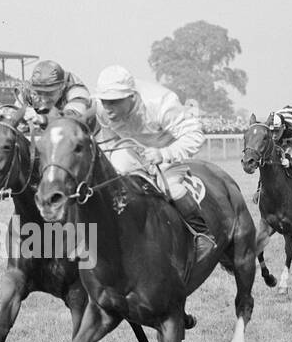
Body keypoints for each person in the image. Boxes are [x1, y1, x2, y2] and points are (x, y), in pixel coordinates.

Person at [92, 64, 215, 264]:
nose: (107, 108)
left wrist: (164, 153)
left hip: (165, 155)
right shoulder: (97, 106)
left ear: (131, 97)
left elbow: (195, 135)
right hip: (129, 151)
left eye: (114, 102)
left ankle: (203, 235)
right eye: (104, 101)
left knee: (172, 189)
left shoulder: (161, 103)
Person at [0, 59, 92, 126]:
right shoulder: (27, 91)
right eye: (39, 92)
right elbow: (11, 117)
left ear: (62, 87)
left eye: (49, 93)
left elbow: (74, 119)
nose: (43, 99)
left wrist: (42, 118)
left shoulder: (76, 89)